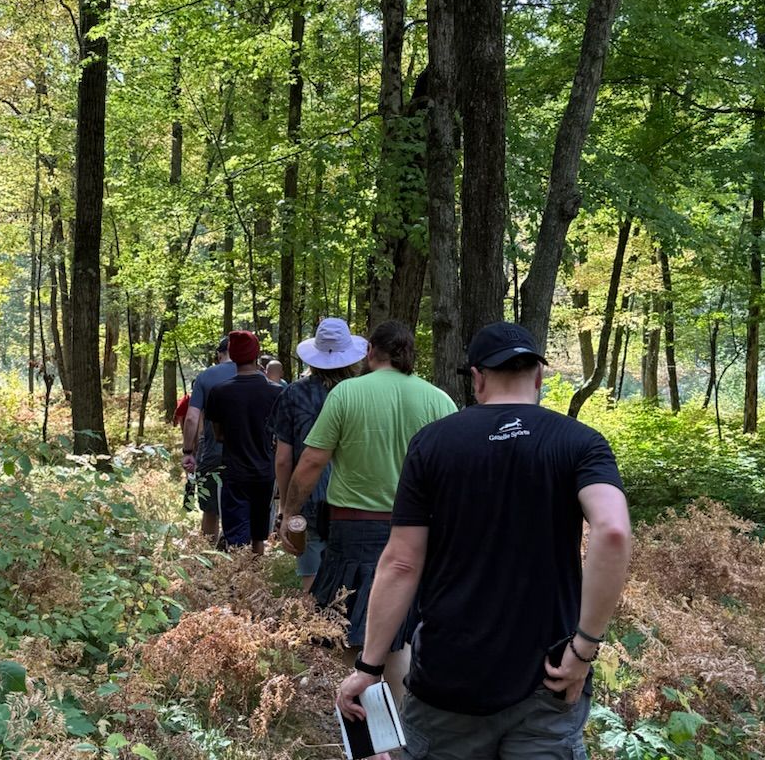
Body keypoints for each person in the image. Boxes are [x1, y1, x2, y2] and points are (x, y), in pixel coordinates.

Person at [335, 322, 633, 760]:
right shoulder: (580, 441)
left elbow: (400, 563)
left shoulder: (432, 444)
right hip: (549, 675)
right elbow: (612, 530)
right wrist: (583, 649)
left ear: (477, 378)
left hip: (448, 677)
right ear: (538, 377)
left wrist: (369, 666)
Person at [282, 320, 456, 705]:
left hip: (354, 528)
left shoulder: (347, 393)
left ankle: (375, 725)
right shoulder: (440, 400)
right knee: (401, 628)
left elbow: (311, 463)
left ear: (371, 351)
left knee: (354, 629)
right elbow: (455, 474)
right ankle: (396, 722)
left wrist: (288, 511)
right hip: (421, 531)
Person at [270, 318, 365, 591]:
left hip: (309, 499)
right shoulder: (363, 393)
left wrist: (286, 509)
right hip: (357, 500)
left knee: (311, 578)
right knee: (353, 582)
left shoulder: (293, 395)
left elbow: (283, 459)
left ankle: (313, 632)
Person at [204, 331, 283, 552]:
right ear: (256, 356)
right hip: (265, 471)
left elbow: (218, 434)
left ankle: (238, 581)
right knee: (259, 535)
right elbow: (282, 436)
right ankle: (254, 578)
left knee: (236, 536)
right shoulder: (276, 392)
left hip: (234, 472)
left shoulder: (219, 392)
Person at [181, 336, 234, 540]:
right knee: (243, 509)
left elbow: (192, 418)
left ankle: (208, 559)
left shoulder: (206, 377)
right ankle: (244, 562)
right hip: (249, 456)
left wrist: (188, 452)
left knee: (210, 510)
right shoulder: (257, 376)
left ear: (219, 354)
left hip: (213, 453)